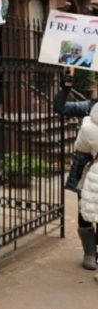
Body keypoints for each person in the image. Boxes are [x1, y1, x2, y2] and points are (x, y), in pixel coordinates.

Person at [53, 67, 98, 271]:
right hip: (86, 167)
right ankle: (89, 251)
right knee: (84, 208)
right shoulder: (90, 106)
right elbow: (60, 108)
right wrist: (66, 86)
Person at [74, 102, 98, 284]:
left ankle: (91, 254)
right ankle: (90, 252)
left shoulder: (89, 124)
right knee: (88, 211)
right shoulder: (90, 125)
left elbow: (81, 147)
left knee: (90, 212)